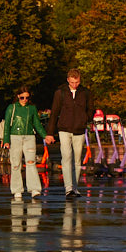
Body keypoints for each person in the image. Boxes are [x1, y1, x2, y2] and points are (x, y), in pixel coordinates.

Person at [46, 69, 95, 198]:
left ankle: (75, 187)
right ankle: (68, 188)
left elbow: (91, 109)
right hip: (64, 129)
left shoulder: (86, 93)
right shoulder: (60, 92)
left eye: (77, 82)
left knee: (77, 160)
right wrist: (49, 133)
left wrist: (85, 118)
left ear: (80, 80)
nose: (74, 85)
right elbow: (54, 113)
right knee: (66, 158)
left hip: (79, 130)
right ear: (68, 80)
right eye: (72, 82)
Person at [3, 86, 49, 199]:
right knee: (16, 164)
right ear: (18, 96)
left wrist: (45, 136)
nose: (24, 100)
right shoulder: (11, 108)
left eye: (27, 98)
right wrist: (6, 140)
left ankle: (34, 189)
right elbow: (7, 125)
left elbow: (37, 124)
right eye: (22, 97)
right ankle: (17, 190)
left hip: (29, 137)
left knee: (31, 162)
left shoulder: (32, 108)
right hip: (15, 137)